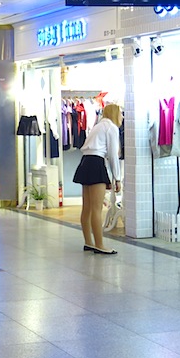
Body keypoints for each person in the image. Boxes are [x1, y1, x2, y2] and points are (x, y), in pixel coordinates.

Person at [72, 103, 123, 255]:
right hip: (96, 163)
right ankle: (99, 245)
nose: (122, 116)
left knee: (87, 208)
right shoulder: (111, 127)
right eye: (121, 113)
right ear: (115, 113)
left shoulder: (98, 126)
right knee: (96, 208)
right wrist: (117, 178)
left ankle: (89, 242)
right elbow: (113, 155)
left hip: (85, 162)